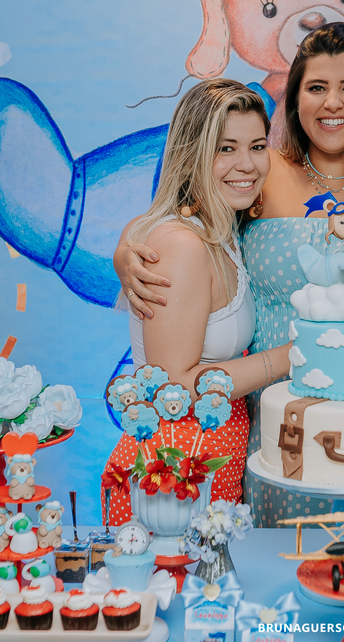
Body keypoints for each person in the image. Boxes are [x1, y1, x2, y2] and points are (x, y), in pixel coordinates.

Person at [115, 23, 344, 525]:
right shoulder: (262, 171)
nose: (333, 103)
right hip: (269, 422)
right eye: (316, 88)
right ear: (294, 100)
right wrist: (127, 248)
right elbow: (183, 213)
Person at [103, 78, 290, 525]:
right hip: (171, 475)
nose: (247, 164)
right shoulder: (184, 245)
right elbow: (175, 385)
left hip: (212, 460)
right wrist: (292, 357)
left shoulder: (224, 231)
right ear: (192, 155)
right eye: (225, 148)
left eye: (257, 146)